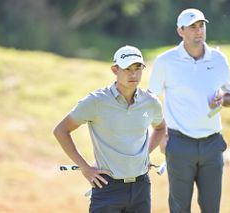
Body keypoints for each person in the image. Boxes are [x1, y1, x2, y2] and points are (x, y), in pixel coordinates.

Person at [53, 45, 166, 213]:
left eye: (137, 68)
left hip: (141, 188)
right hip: (107, 188)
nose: (133, 74)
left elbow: (160, 128)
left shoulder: (150, 102)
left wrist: (144, 154)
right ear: (115, 69)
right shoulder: (96, 101)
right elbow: (61, 131)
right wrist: (85, 168)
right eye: (127, 68)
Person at [148, 8, 230, 213]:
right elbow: (150, 101)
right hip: (179, 144)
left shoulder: (218, 59)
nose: (199, 31)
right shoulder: (165, 61)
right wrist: (161, 136)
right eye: (192, 27)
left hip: (213, 145)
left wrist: (224, 98)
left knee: (211, 208)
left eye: (201, 26)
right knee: (179, 209)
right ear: (180, 31)